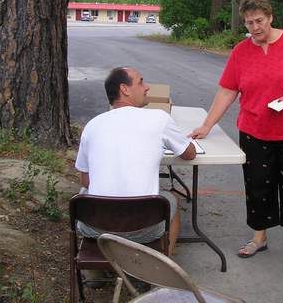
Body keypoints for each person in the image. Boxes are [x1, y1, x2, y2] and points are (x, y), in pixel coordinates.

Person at [189, 0, 283, 264]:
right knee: (257, 185)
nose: (255, 28)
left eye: (259, 21)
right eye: (249, 23)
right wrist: (206, 125)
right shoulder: (241, 52)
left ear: (270, 17)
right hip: (255, 130)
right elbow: (227, 92)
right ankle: (259, 237)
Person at [75, 67, 196, 256]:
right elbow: (189, 154)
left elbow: (86, 181)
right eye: (141, 82)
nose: (147, 87)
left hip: (96, 227)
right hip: (144, 228)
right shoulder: (159, 118)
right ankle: (162, 270)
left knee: (84, 192)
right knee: (171, 199)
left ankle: (97, 267)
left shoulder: (92, 125)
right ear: (125, 89)